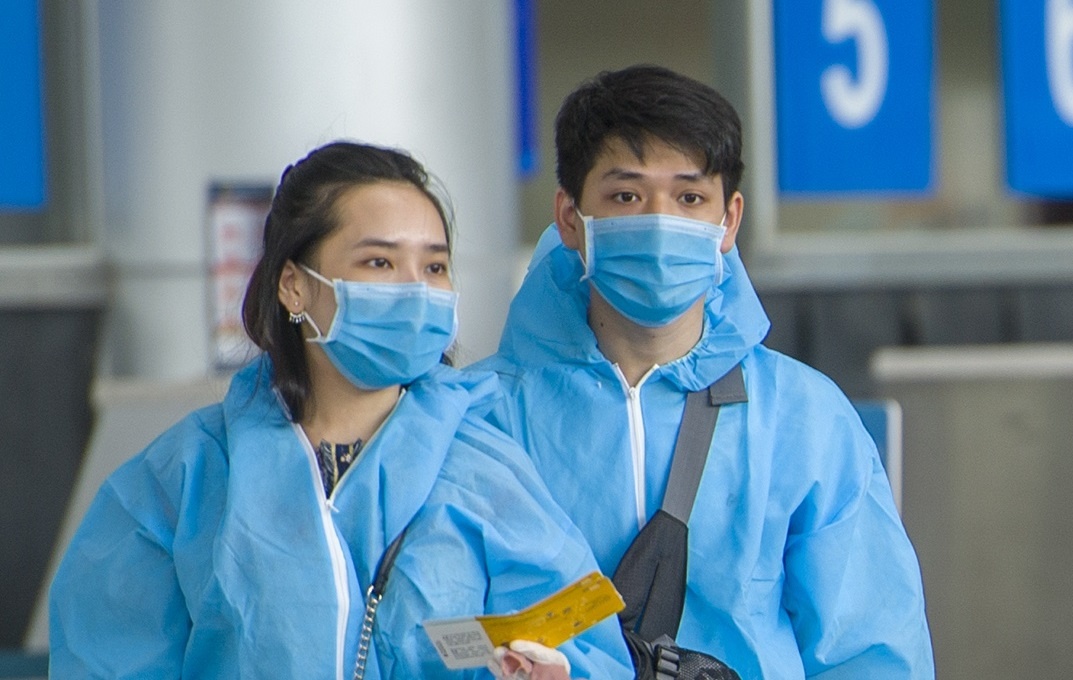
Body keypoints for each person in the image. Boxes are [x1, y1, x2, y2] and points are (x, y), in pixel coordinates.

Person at [48, 141, 634, 679]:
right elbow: (107, 656)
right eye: (379, 263)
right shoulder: (185, 478)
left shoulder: (487, 472)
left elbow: (586, 647)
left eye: (433, 267)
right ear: (293, 286)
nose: (414, 289)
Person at [475, 65, 935, 678]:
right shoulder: (481, 417)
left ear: (729, 221)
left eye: (690, 197)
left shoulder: (803, 418)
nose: (660, 221)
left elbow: (872, 653)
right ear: (568, 217)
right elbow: (428, 634)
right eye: (626, 195)